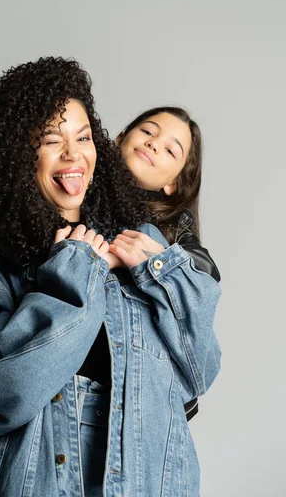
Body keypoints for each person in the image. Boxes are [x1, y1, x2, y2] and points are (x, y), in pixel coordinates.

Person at [0, 57, 221, 496]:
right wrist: (75, 268)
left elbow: (199, 370)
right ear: (23, 154)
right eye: (51, 140)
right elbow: (10, 392)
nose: (73, 153)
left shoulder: (144, 246)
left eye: (83, 137)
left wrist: (160, 272)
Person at [114, 106, 221, 420]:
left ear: (173, 184)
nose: (153, 143)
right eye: (147, 132)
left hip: (144, 414)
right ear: (120, 139)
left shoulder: (175, 239)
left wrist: (156, 261)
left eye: (170, 150)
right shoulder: (67, 198)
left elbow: (201, 368)